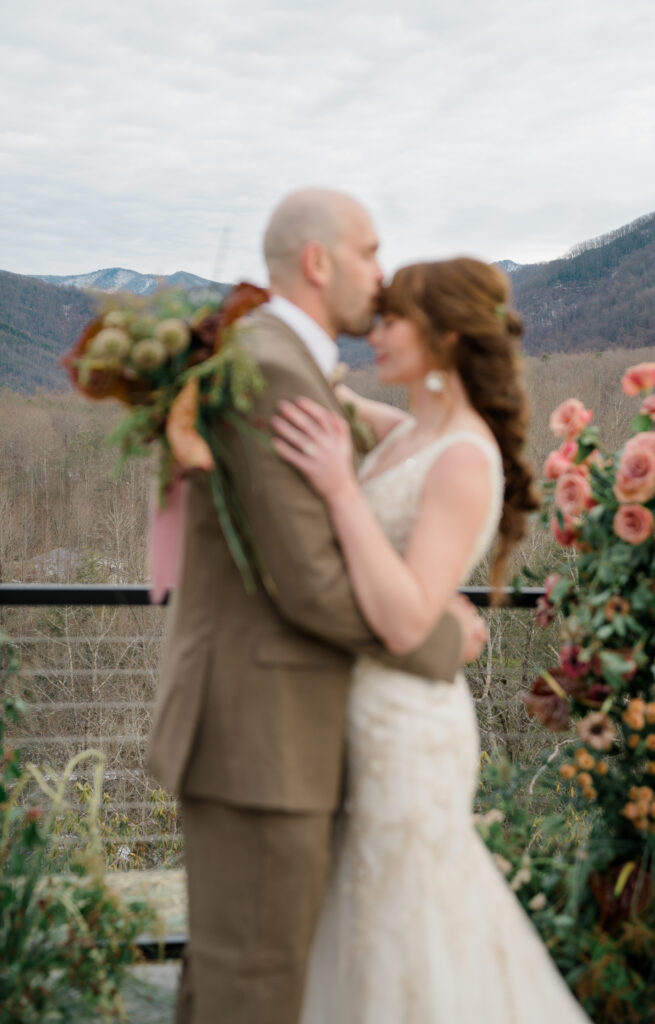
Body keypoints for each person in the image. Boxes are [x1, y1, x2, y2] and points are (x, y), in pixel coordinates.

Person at [146, 190, 483, 1024]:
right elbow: (309, 582)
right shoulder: (268, 364)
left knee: (231, 981)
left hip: (274, 733)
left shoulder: (282, 360)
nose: (380, 271)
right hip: (259, 738)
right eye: (370, 252)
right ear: (318, 261)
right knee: (254, 990)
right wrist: (443, 636)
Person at [272, 257, 592, 1023]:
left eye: (391, 321)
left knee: (401, 936)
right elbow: (342, 406)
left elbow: (409, 620)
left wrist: (342, 490)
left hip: (404, 730)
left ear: (444, 337)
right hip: (356, 716)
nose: (373, 333)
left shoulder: (460, 459)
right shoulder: (412, 433)